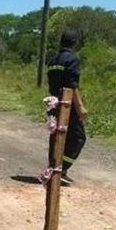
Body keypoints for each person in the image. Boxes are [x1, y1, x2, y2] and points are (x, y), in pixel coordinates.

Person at [47, 30, 88, 186]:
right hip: (66, 106)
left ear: (61, 42)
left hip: (53, 103)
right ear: (75, 43)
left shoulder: (53, 60)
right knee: (78, 138)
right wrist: (81, 108)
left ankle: (54, 168)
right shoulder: (72, 59)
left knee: (56, 135)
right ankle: (61, 169)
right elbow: (72, 87)